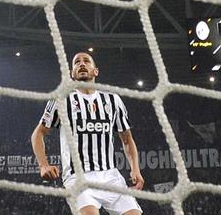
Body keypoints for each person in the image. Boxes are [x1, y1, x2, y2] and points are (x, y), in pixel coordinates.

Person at [31, 52, 145, 215]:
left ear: (95, 71)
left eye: (86, 61)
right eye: (77, 62)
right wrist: (43, 165)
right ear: (72, 73)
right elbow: (38, 133)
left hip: (111, 177)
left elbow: (127, 139)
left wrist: (135, 169)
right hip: (78, 178)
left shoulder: (113, 100)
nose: (82, 64)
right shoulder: (61, 99)